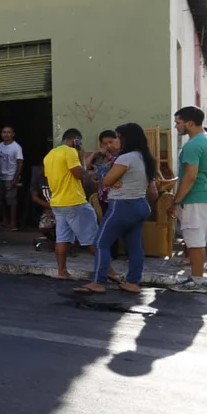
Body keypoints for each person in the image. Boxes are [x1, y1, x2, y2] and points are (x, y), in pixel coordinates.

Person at [75, 123, 156, 295]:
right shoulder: (145, 157)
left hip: (122, 205)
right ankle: (133, 282)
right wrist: (116, 180)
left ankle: (98, 282)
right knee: (134, 246)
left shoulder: (125, 158)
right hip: (140, 204)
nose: (116, 141)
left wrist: (112, 179)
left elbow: (106, 181)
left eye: (119, 137)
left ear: (127, 138)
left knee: (100, 242)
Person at [168, 106, 207, 293]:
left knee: (195, 241)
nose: (177, 127)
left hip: (196, 198)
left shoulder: (192, 145)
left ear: (189, 123)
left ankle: (197, 281)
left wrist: (176, 201)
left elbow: (190, 176)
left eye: (178, 122)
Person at [43, 129, 98, 279]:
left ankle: (62, 272)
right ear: (75, 141)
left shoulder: (49, 155)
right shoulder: (70, 152)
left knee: (62, 238)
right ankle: (108, 271)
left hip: (58, 202)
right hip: (74, 201)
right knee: (92, 237)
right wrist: (81, 157)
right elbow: (79, 175)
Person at [0, 126, 24, 231]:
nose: (6, 134)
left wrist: (15, 178)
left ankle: (13, 222)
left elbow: (20, 163)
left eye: (8, 132)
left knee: (11, 201)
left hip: (11, 177)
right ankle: (4, 220)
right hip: (0, 177)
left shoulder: (16, 147)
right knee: (0, 200)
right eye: (4, 132)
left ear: (13, 134)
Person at [87, 129, 120, 208]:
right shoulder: (100, 156)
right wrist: (94, 153)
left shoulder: (123, 155)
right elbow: (86, 166)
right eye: (105, 144)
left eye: (110, 142)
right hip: (103, 195)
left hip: (118, 195)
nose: (108, 146)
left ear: (117, 140)